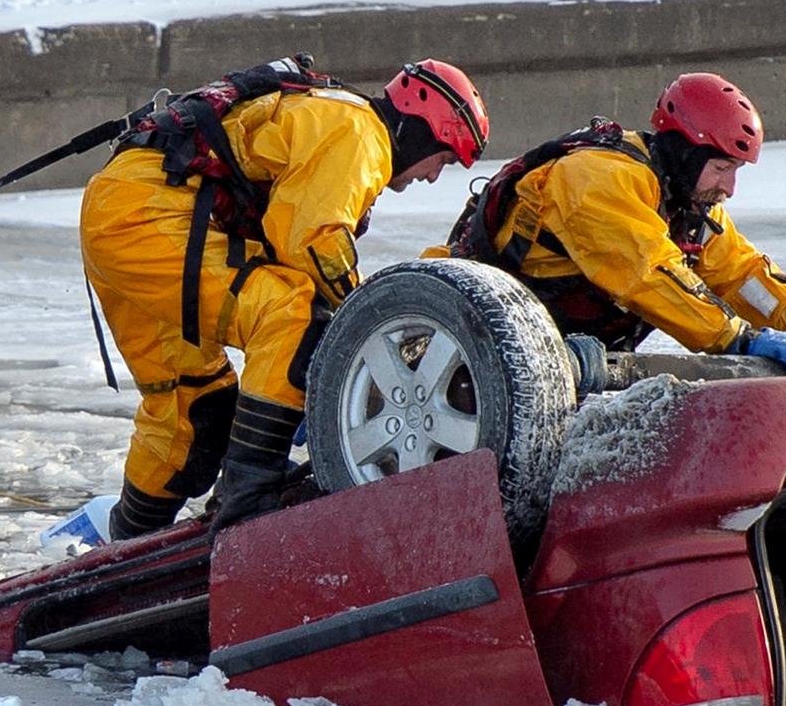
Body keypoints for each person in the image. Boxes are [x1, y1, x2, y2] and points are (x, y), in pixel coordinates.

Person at [85, 58, 489, 538]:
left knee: (192, 407)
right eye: (443, 159)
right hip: (153, 217)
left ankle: (126, 542)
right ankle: (246, 511)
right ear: (427, 131)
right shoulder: (360, 133)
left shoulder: (335, 116)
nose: (432, 177)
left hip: (119, 210)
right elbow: (311, 240)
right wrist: (362, 323)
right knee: (293, 313)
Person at [444, 71, 786, 371]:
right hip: (465, 334)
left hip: (554, 343)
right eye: (723, 168)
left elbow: (739, 275)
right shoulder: (599, 178)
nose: (730, 188)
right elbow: (647, 273)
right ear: (688, 152)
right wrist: (738, 337)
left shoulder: (688, 203)